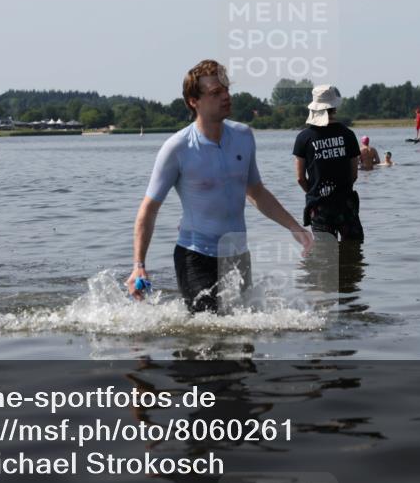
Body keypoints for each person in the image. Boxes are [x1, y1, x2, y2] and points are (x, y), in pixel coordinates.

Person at [127, 60, 313, 313]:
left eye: (226, 89)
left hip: (238, 255)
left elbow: (256, 191)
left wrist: (294, 227)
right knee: (210, 334)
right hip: (195, 257)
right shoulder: (178, 148)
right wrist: (139, 263)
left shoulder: (244, 136)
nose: (225, 96)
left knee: (243, 338)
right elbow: (148, 209)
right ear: (194, 101)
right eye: (216, 93)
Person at [293, 85, 364, 242]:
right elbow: (354, 174)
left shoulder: (303, 138)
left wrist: (314, 192)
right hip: (345, 206)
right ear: (334, 108)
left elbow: (300, 178)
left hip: (319, 208)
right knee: (353, 254)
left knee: (325, 257)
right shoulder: (348, 134)